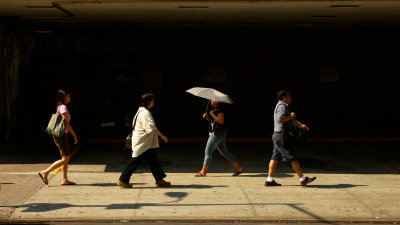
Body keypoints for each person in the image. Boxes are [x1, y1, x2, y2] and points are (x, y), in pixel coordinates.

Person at [117, 93, 171, 188]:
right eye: (152, 100)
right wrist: (162, 136)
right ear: (148, 102)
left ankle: (160, 180)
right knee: (135, 161)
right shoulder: (145, 113)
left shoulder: (140, 111)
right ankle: (123, 180)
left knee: (153, 161)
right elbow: (151, 128)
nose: (153, 102)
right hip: (143, 143)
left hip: (146, 143)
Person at [265, 89, 316, 186]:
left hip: (277, 135)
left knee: (275, 157)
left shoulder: (282, 105)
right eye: (289, 96)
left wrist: (301, 125)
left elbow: (289, 119)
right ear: (284, 97)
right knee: (292, 157)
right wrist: (291, 117)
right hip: (282, 136)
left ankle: (269, 180)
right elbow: (280, 119)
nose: (291, 97)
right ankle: (302, 179)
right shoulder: (282, 106)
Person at [38, 89, 78, 185]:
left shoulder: (60, 106)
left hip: (61, 135)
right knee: (65, 159)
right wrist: (74, 135)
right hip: (61, 135)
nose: (70, 98)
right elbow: (66, 123)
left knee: (65, 158)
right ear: (65, 96)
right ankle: (45, 172)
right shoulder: (63, 107)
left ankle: (64, 179)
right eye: (69, 96)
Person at [194, 100, 243, 177]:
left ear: (217, 102)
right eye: (210, 100)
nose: (210, 101)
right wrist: (207, 118)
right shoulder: (214, 110)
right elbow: (214, 121)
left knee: (208, 151)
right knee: (225, 152)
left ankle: (203, 172)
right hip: (220, 134)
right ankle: (239, 168)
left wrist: (212, 114)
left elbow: (221, 121)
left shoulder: (219, 111)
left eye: (212, 100)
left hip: (217, 134)